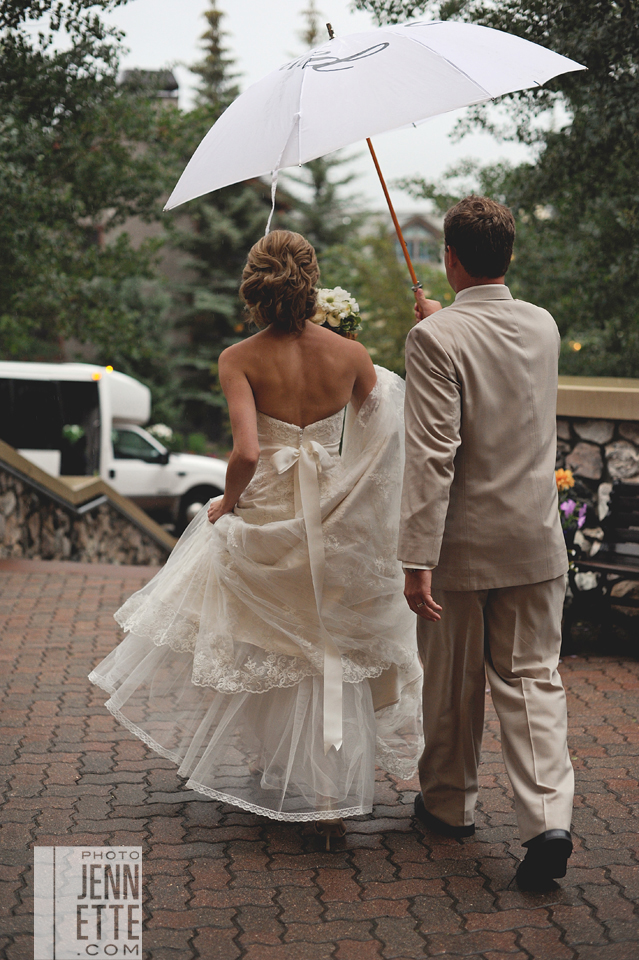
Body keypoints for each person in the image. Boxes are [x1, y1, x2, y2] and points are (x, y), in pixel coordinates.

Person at [89, 230, 422, 847]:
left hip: (269, 516)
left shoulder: (238, 358)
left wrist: (227, 504)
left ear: (254, 287)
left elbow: (245, 452)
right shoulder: (351, 357)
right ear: (313, 282)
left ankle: (282, 770)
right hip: (335, 521)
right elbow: (389, 432)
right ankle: (330, 799)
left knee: (271, 645)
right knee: (330, 649)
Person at [399, 196, 574, 891]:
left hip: (461, 548)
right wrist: (441, 325)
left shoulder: (434, 340)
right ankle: (548, 822)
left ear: (448, 259)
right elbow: (493, 349)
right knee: (532, 681)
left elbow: (432, 455)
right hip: (535, 541)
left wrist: (416, 558)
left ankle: (447, 805)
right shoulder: (542, 325)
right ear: (508, 256)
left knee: (451, 683)